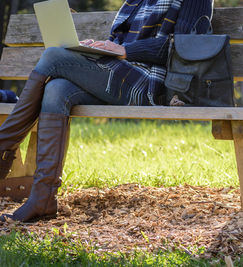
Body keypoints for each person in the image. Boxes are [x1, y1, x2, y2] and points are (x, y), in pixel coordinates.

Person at [0, 0, 212, 222]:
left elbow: (183, 47)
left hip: (151, 84)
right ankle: (42, 200)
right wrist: (97, 47)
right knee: (56, 89)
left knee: (53, 56)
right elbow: (118, 42)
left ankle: (5, 144)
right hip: (120, 74)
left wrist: (123, 50)